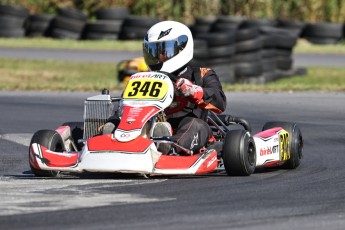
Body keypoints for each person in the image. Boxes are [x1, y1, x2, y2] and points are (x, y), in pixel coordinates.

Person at [142, 20, 227, 155]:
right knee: (121, 121)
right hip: (151, 125)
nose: (159, 57)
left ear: (181, 48)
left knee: (194, 124)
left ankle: (169, 148)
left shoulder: (201, 74)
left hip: (192, 128)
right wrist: (115, 120)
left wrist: (195, 91)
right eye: (154, 51)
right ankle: (113, 139)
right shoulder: (145, 78)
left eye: (163, 51)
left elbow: (220, 102)